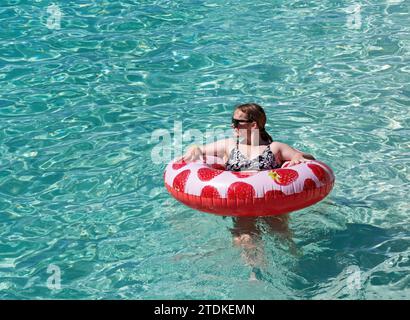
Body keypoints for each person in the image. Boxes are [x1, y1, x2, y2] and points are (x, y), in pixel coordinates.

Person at [178, 103, 315, 277]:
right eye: (232, 120)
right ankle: (255, 274)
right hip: (242, 205)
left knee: (281, 235)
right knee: (246, 238)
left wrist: (296, 158)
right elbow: (199, 149)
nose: (232, 125)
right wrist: (194, 149)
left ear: (253, 125)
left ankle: (297, 269)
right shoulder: (229, 146)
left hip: (271, 204)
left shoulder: (274, 148)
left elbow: (304, 157)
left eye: (237, 121)